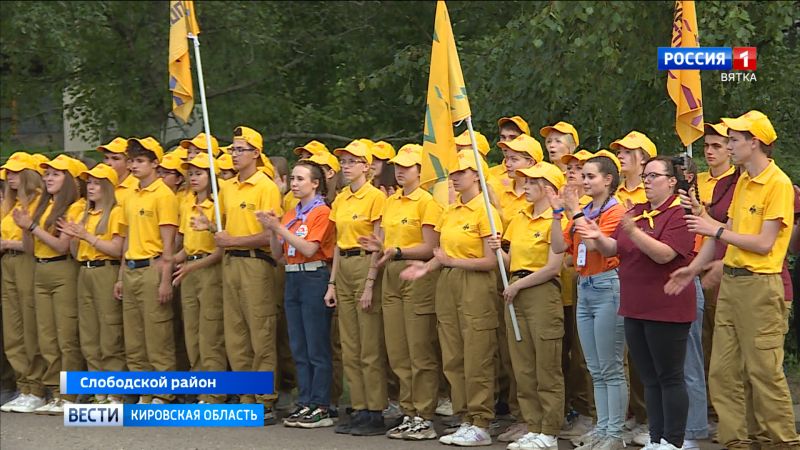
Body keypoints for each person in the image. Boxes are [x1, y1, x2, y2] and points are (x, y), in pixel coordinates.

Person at [666, 110, 799, 450]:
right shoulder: (740, 180)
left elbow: (765, 243)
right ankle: (735, 442)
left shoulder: (778, 183)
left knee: (764, 374)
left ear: (754, 143)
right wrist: (693, 268)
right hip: (733, 286)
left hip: (761, 286)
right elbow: (715, 233)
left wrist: (716, 228)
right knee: (723, 374)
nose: (727, 146)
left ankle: (783, 442)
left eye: (733, 140)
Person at [579, 156, 696, 450]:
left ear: (671, 181)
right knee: (649, 377)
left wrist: (634, 232)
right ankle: (656, 438)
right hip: (634, 305)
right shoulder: (638, 212)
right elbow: (615, 248)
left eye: (654, 175)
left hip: (666, 306)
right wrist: (598, 238)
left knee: (669, 376)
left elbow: (664, 254)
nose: (646, 180)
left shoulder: (679, 213)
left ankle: (674, 440)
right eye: (645, 175)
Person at [401, 150, 501, 447]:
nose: (455, 178)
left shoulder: (486, 210)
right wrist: (427, 267)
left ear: (476, 176)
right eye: (453, 173)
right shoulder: (452, 210)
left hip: (475, 283)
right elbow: (442, 255)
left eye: (461, 173)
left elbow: (490, 261)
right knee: (453, 354)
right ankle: (464, 417)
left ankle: (481, 420)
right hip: (448, 282)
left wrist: (452, 262)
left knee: (477, 353)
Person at [357, 143, 443, 441]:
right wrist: (377, 255)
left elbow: (430, 247)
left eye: (407, 167)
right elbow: (382, 243)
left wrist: (397, 250)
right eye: (398, 166)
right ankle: (408, 411)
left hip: (415, 273)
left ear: (420, 171)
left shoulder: (426, 202)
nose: (400, 171)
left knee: (420, 349)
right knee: (398, 351)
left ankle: (424, 414)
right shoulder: (390, 201)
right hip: (391, 275)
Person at [548, 152, 628, 450]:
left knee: (611, 366)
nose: (584, 181)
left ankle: (614, 433)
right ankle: (603, 427)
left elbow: (600, 247)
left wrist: (574, 213)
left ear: (608, 180)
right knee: (596, 366)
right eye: (583, 176)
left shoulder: (615, 211)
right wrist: (558, 214)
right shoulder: (584, 210)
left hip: (609, 285)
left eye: (590, 176)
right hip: (585, 285)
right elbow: (559, 246)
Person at [489, 162, 566, 450]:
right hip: (516, 290)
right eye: (526, 182)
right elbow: (513, 261)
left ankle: (549, 429)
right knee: (522, 365)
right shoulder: (519, 218)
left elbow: (552, 267)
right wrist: (500, 251)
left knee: (546, 364)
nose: (526, 187)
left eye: (533, 183)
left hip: (540, 292)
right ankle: (533, 425)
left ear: (548, 188)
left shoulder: (556, 220)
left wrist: (518, 285)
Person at [259, 159, 336, 429]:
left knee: (316, 345)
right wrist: (272, 230)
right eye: (292, 178)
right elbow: (279, 254)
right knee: (298, 345)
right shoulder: (291, 213)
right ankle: (305, 401)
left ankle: (321, 404)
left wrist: (279, 228)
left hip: (314, 275)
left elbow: (310, 248)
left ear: (315, 183)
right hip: (293, 276)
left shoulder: (321, 212)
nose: (294, 183)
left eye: (301, 179)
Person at [216, 126, 283, 424]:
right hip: (230, 264)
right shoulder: (227, 187)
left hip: (256, 264)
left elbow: (269, 236)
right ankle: (245, 396)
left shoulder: (264, 186)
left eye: (240, 149)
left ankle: (265, 399)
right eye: (232, 149)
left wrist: (232, 241)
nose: (234, 154)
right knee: (236, 334)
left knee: (261, 332)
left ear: (256, 153)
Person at [12, 154, 85, 414]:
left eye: (56, 174)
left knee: (66, 336)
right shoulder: (42, 206)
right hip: (40, 269)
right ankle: (54, 391)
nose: (48, 178)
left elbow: (62, 245)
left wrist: (31, 226)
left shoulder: (75, 207)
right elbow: (32, 248)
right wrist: (25, 227)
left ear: (70, 180)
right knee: (47, 337)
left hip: (62, 268)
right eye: (47, 174)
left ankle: (70, 394)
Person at [326, 139, 389, 436]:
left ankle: (375, 409)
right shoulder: (340, 199)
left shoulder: (375, 196)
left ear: (367, 166)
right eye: (344, 161)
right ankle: (359, 406)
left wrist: (369, 283)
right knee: (350, 344)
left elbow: (377, 243)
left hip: (366, 264)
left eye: (353, 161)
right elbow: (339, 244)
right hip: (346, 265)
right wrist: (331, 283)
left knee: (369, 344)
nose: (346, 166)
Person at [113, 137, 179, 405]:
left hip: (152, 267)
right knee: (135, 336)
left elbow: (169, 243)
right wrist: (120, 276)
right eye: (131, 160)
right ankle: (144, 390)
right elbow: (127, 239)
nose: (134, 165)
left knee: (157, 334)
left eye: (140, 160)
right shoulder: (129, 196)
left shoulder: (164, 195)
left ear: (155, 163)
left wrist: (165, 280)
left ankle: (164, 392)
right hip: (131, 268)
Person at [493, 132, 543, 443]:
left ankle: (543, 420)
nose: (508, 163)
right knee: (513, 356)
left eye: (516, 158)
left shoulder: (538, 200)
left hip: (543, 288)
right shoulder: (504, 194)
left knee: (543, 359)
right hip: (510, 280)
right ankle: (519, 415)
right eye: (507, 157)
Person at [60, 163, 125, 404]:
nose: (91, 187)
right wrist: (76, 237)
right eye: (89, 182)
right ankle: (99, 390)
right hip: (85, 271)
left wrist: (86, 236)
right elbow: (76, 252)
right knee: (89, 335)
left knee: (110, 333)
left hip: (105, 271)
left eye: (97, 183)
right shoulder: (84, 213)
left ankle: (115, 392)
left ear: (108, 187)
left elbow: (117, 249)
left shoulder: (116, 212)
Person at [172, 154, 226, 404]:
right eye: (190, 173)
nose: (193, 178)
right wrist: (169, 260)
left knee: (209, 333)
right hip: (189, 269)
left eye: (199, 173)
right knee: (191, 332)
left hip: (208, 269)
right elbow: (186, 245)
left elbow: (220, 248)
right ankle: (198, 387)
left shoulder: (219, 202)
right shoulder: (187, 202)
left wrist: (191, 267)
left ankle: (214, 393)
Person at [0, 153, 47, 413]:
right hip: (8, 263)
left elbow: (37, 242)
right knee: (13, 327)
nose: (11, 177)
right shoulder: (9, 204)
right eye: (8, 173)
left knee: (30, 325)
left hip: (28, 262)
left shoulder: (40, 202)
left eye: (16, 173)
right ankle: (23, 385)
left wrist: (8, 243)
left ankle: (38, 386)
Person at [557, 149, 597, 441]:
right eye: (570, 167)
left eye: (581, 168)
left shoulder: (593, 208)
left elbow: (590, 248)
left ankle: (593, 416)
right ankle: (575, 410)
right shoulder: (564, 206)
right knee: (566, 357)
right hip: (566, 288)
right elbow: (563, 248)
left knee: (589, 358)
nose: (573, 172)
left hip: (591, 286)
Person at [610, 131, 657, 207]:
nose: (620, 156)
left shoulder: (655, 192)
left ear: (644, 158)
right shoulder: (612, 192)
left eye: (628, 152)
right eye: (618, 152)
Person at [97, 137, 137, 207]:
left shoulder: (137, 187)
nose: (108, 163)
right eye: (106, 158)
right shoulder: (99, 185)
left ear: (129, 164)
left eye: (115, 158)